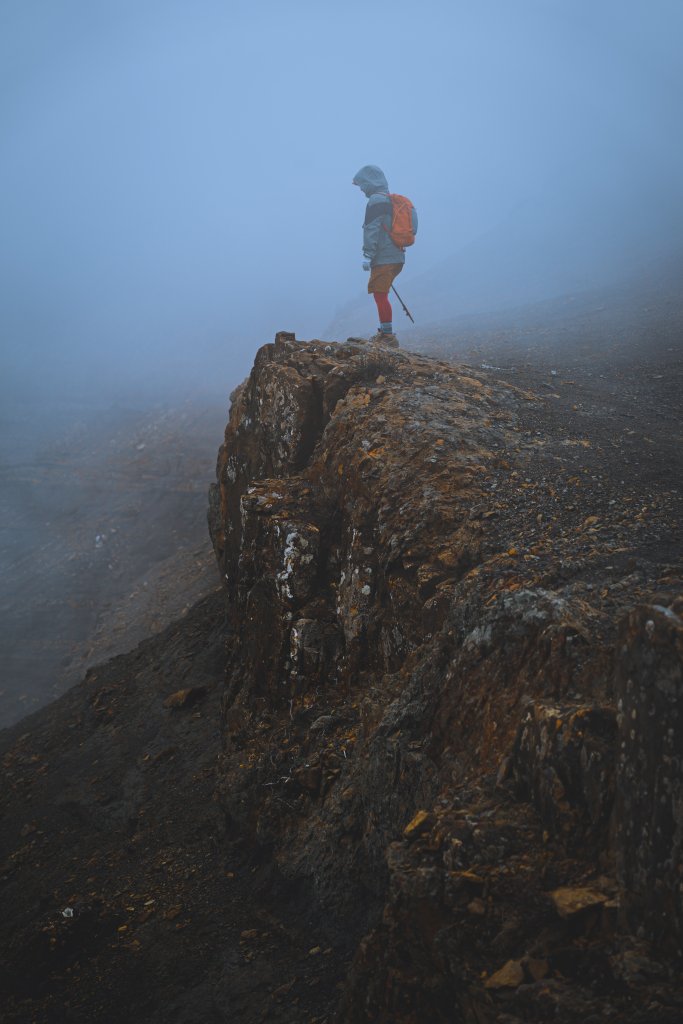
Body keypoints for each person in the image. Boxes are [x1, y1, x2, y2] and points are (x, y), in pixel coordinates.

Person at [352, 164, 417, 346]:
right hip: (398, 256)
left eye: (362, 184)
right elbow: (415, 228)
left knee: (380, 295)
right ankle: (386, 333)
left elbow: (371, 229)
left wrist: (367, 255)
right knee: (382, 293)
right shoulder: (393, 200)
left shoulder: (376, 201)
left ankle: (387, 337)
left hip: (384, 258)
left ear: (370, 182)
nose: (362, 189)